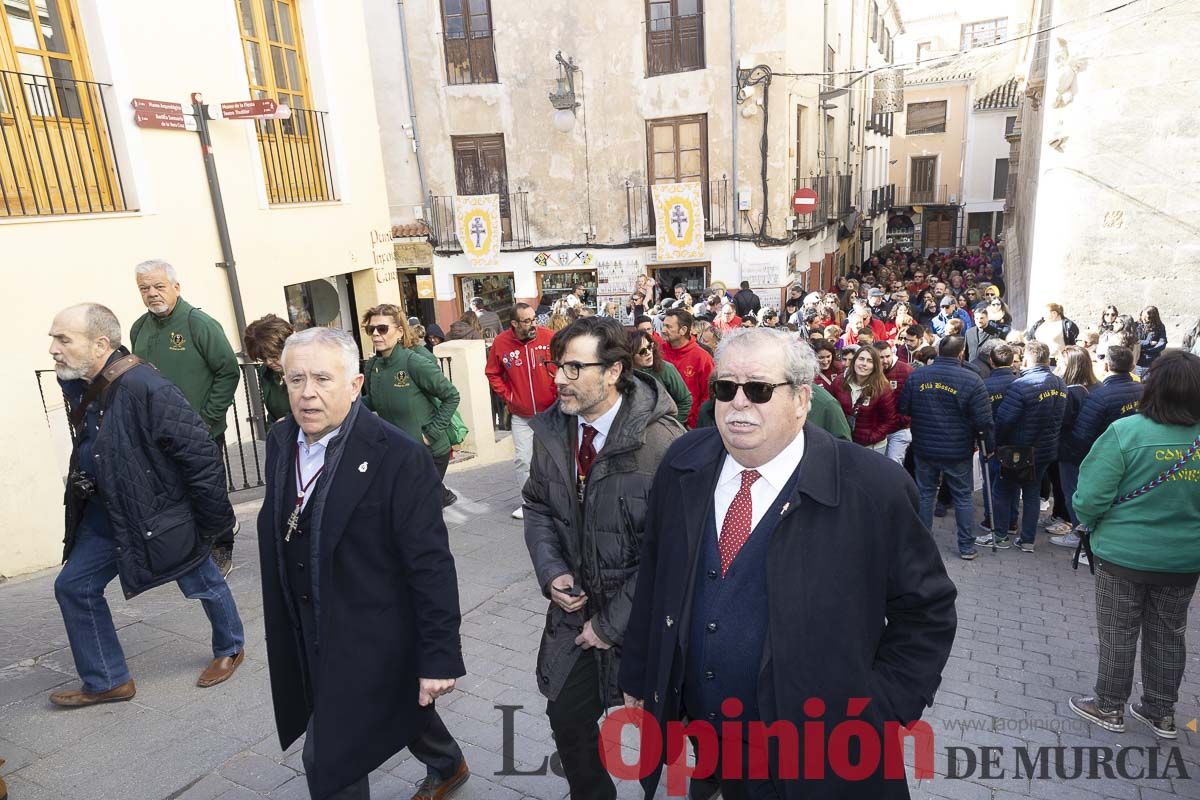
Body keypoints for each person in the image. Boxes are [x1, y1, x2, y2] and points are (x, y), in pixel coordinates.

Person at [618, 328, 958, 797]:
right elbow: (656, 577)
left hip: (822, 758)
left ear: (801, 399)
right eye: (725, 388)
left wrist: (880, 710)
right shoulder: (684, 462)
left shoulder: (872, 487)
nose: (738, 403)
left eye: (757, 389)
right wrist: (641, 675)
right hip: (708, 745)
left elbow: (927, 611)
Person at [257, 327, 468, 800]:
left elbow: (430, 566)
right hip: (303, 625)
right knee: (396, 703)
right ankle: (448, 761)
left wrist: (438, 658)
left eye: (322, 379)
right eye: (295, 380)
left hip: (369, 631)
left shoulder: (399, 457)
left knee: (328, 758)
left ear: (355, 386)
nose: (307, 393)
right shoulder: (278, 442)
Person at [48, 303, 245, 707]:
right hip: (109, 514)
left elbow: (200, 456)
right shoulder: (87, 384)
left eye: (63, 339)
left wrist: (212, 524)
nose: (53, 348)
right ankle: (107, 680)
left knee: (201, 582)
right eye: (53, 338)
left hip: (160, 514)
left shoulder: (145, 386)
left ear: (101, 343)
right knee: (74, 586)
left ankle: (230, 647)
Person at [523, 317, 683, 800]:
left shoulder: (663, 445)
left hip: (647, 620)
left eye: (574, 367)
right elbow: (537, 505)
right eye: (557, 366)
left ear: (614, 371)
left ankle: (715, 778)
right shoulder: (551, 431)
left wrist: (610, 625)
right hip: (575, 613)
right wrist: (552, 573)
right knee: (566, 714)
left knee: (684, 721)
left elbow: (672, 553)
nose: (559, 378)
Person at [1068, 350, 1200, 740]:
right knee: (1169, 633)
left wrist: (1086, 520)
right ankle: (1160, 712)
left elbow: (1090, 498)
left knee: (1118, 632)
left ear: (1152, 386)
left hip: (1123, 555)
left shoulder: (1126, 433)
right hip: (1183, 559)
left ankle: (1109, 705)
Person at [131, 259, 240, 575]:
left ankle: (222, 547)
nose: (152, 294)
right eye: (144, 288)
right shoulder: (139, 328)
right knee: (175, 490)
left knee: (208, 490)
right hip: (158, 432)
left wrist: (207, 419)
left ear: (176, 287)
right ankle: (193, 546)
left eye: (158, 286)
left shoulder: (198, 324)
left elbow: (227, 371)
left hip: (200, 430)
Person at [898, 336, 995, 559]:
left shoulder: (918, 376)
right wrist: (989, 446)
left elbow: (904, 407)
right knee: (962, 496)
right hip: (957, 448)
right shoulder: (971, 380)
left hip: (925, 445)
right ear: (961, 353)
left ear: (939, 351)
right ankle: (966, 546)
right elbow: (984, 421)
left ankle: (922, 545)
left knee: (925, 494)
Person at [360, 305, 462, 509]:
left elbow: (451, 396)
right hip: (396, 451)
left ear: (399, 331)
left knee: (416, 508)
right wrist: (343, 404)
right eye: (371, 330)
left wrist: (430, 434)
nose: (376, 335)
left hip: (428, 452)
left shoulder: (415, 363)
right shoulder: (373, 366)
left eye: (382, 329)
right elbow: (373, 400)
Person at [977, 341, 1068, 553]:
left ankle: (999, 536)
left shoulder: (1021, 385)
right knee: (1032, 492)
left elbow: (1005, 420)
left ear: (1027, 359)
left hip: (1019, 450)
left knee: (1002, 490)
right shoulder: (1060, 383)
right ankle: (1027, 540)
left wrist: (996, 446)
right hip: (1045, 449)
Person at [486, 303, 558, 519]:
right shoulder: (501, 343)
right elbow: (492, 373)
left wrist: (558, 390)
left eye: (534, 319)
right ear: (514, 324)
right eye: (527, 321)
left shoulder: (550, 338)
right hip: (521, 415)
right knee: (524, 459)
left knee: (554, 459)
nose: (533, 324)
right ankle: (530, 503)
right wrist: (508, 396)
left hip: (552, 412)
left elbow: (564, 364)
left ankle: (557, 501)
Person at [1045, 346, 1100, 548]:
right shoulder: (1097, 387)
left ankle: (1078, 536)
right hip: (1090, 451)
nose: (1057, 366)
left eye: (1061, 362)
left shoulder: (1072, 392)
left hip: (1071, 451)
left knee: (1072, 493)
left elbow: (1062, 422)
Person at [832, 346, 898, 452]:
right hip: (845, 442)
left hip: (872, 447)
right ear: (854, 361)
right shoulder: (839, 382)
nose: (864, 364)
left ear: (875, 366)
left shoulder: (882, 388)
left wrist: (871, 437)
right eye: (861, 359)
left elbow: (889, 420)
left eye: (869, 361)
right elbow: (833, 410)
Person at [660, 307, 714, 429]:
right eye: (664, 326)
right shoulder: (658, 352)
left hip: (689, 426)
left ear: (683, 330)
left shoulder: (702, 357)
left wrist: (694, 423)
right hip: (662, 423)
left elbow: (708, 395)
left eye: (669, 327)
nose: (663, 330)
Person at [630, 328, 692, 427]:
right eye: (642, 351)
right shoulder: (626, 376)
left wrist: (673, 425)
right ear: (631, 356)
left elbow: (685, 400)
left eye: (650, 346)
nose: (648, 352)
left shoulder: (666, 369)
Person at [244, 313, 295, 425]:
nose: (268, 362)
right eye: (262, 358)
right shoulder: (266, 372)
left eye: (273, 355)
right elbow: (272, 415)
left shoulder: (309, 370)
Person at [874, 341, 913, 464]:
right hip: (879, 428)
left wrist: (905, 419)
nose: (885, 360)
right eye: (881, 357)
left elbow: (913, 398)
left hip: (900, 428)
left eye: (887, 356)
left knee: (894, 462)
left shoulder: (906, 370)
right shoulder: (870, 372)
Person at [1136, 306, 1168, 378]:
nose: (1143, 319)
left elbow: (1162, 343)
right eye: (1142, 316)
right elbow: (1135, 341)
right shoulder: (1136, 325)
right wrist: (1149, 343)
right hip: (1139, 361)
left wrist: (1147, 350)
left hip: (1152, 360)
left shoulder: (1159, 327)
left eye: (1146, 317)